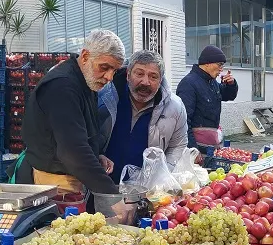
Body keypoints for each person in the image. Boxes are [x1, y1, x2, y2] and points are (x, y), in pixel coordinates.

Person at [18, 29, 125, 195]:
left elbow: (80, 131)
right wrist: (112, 195)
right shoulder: (62, 86)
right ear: (85, 57)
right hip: (52, 182)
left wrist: (96, 155)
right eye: (104, 67)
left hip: (69, 177)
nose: (110, 77)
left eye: (115, 70)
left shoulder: (86, 80)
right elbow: (72, 150)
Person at [99, 50, 188, 183]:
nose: (145, 82)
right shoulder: (104, 97)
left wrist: (161, 178)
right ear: (128, 75)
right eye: (139, 74)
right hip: (100, 185)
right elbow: (84, 135)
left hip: (144, 192)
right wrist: (96, 156)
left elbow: (177, 146)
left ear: (161, 79)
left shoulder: (175, 107)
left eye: (153, 77)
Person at [176, 45, 238, 153]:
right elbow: (183, 122)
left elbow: (228, 95)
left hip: (211, 147)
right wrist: (193, 151)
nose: (221, 69)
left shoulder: (212, 82)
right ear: (208, 63)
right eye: (219, 64)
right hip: (197, 149)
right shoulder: (189, 84)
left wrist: (231, 84)